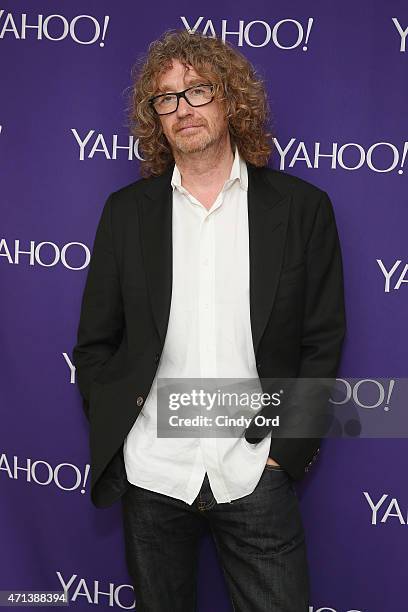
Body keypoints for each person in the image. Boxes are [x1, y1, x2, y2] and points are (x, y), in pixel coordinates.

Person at [73, 28, 346, 612]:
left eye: (198, 90)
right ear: (156, 117)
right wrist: (128, 434)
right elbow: (95, 344)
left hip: (253, 470)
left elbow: (321, 343)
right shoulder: (126, 215)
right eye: (166, 98)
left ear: (232, 99)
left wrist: (284, 454)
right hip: (153, 475)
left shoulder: (301, 209)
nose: (182, 108)